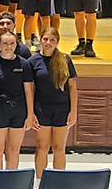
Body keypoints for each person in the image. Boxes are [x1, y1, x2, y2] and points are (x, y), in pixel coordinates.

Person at [29, 28, 78, 182]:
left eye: (52, 40)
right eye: (45, 39)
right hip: (41, 109)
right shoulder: (33, 61)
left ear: (57, 41)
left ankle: (59, 182)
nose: (48, 43)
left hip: (61, 109)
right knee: (42, 147)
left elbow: (72, 88)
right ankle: (40, 181)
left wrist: (73, 111)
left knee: (59, 148)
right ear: (41, 40)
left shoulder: (65, 60)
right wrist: (31, 113)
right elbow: (29, 90)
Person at [0, 32, 35, 170]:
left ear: (16, 45)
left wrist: (30, 115)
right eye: (5, 43)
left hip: (19, 108)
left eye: (12, 43)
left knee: (13, 150)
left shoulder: (24, 64)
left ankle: (11, 181)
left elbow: (28, 90)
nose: (8, 46)